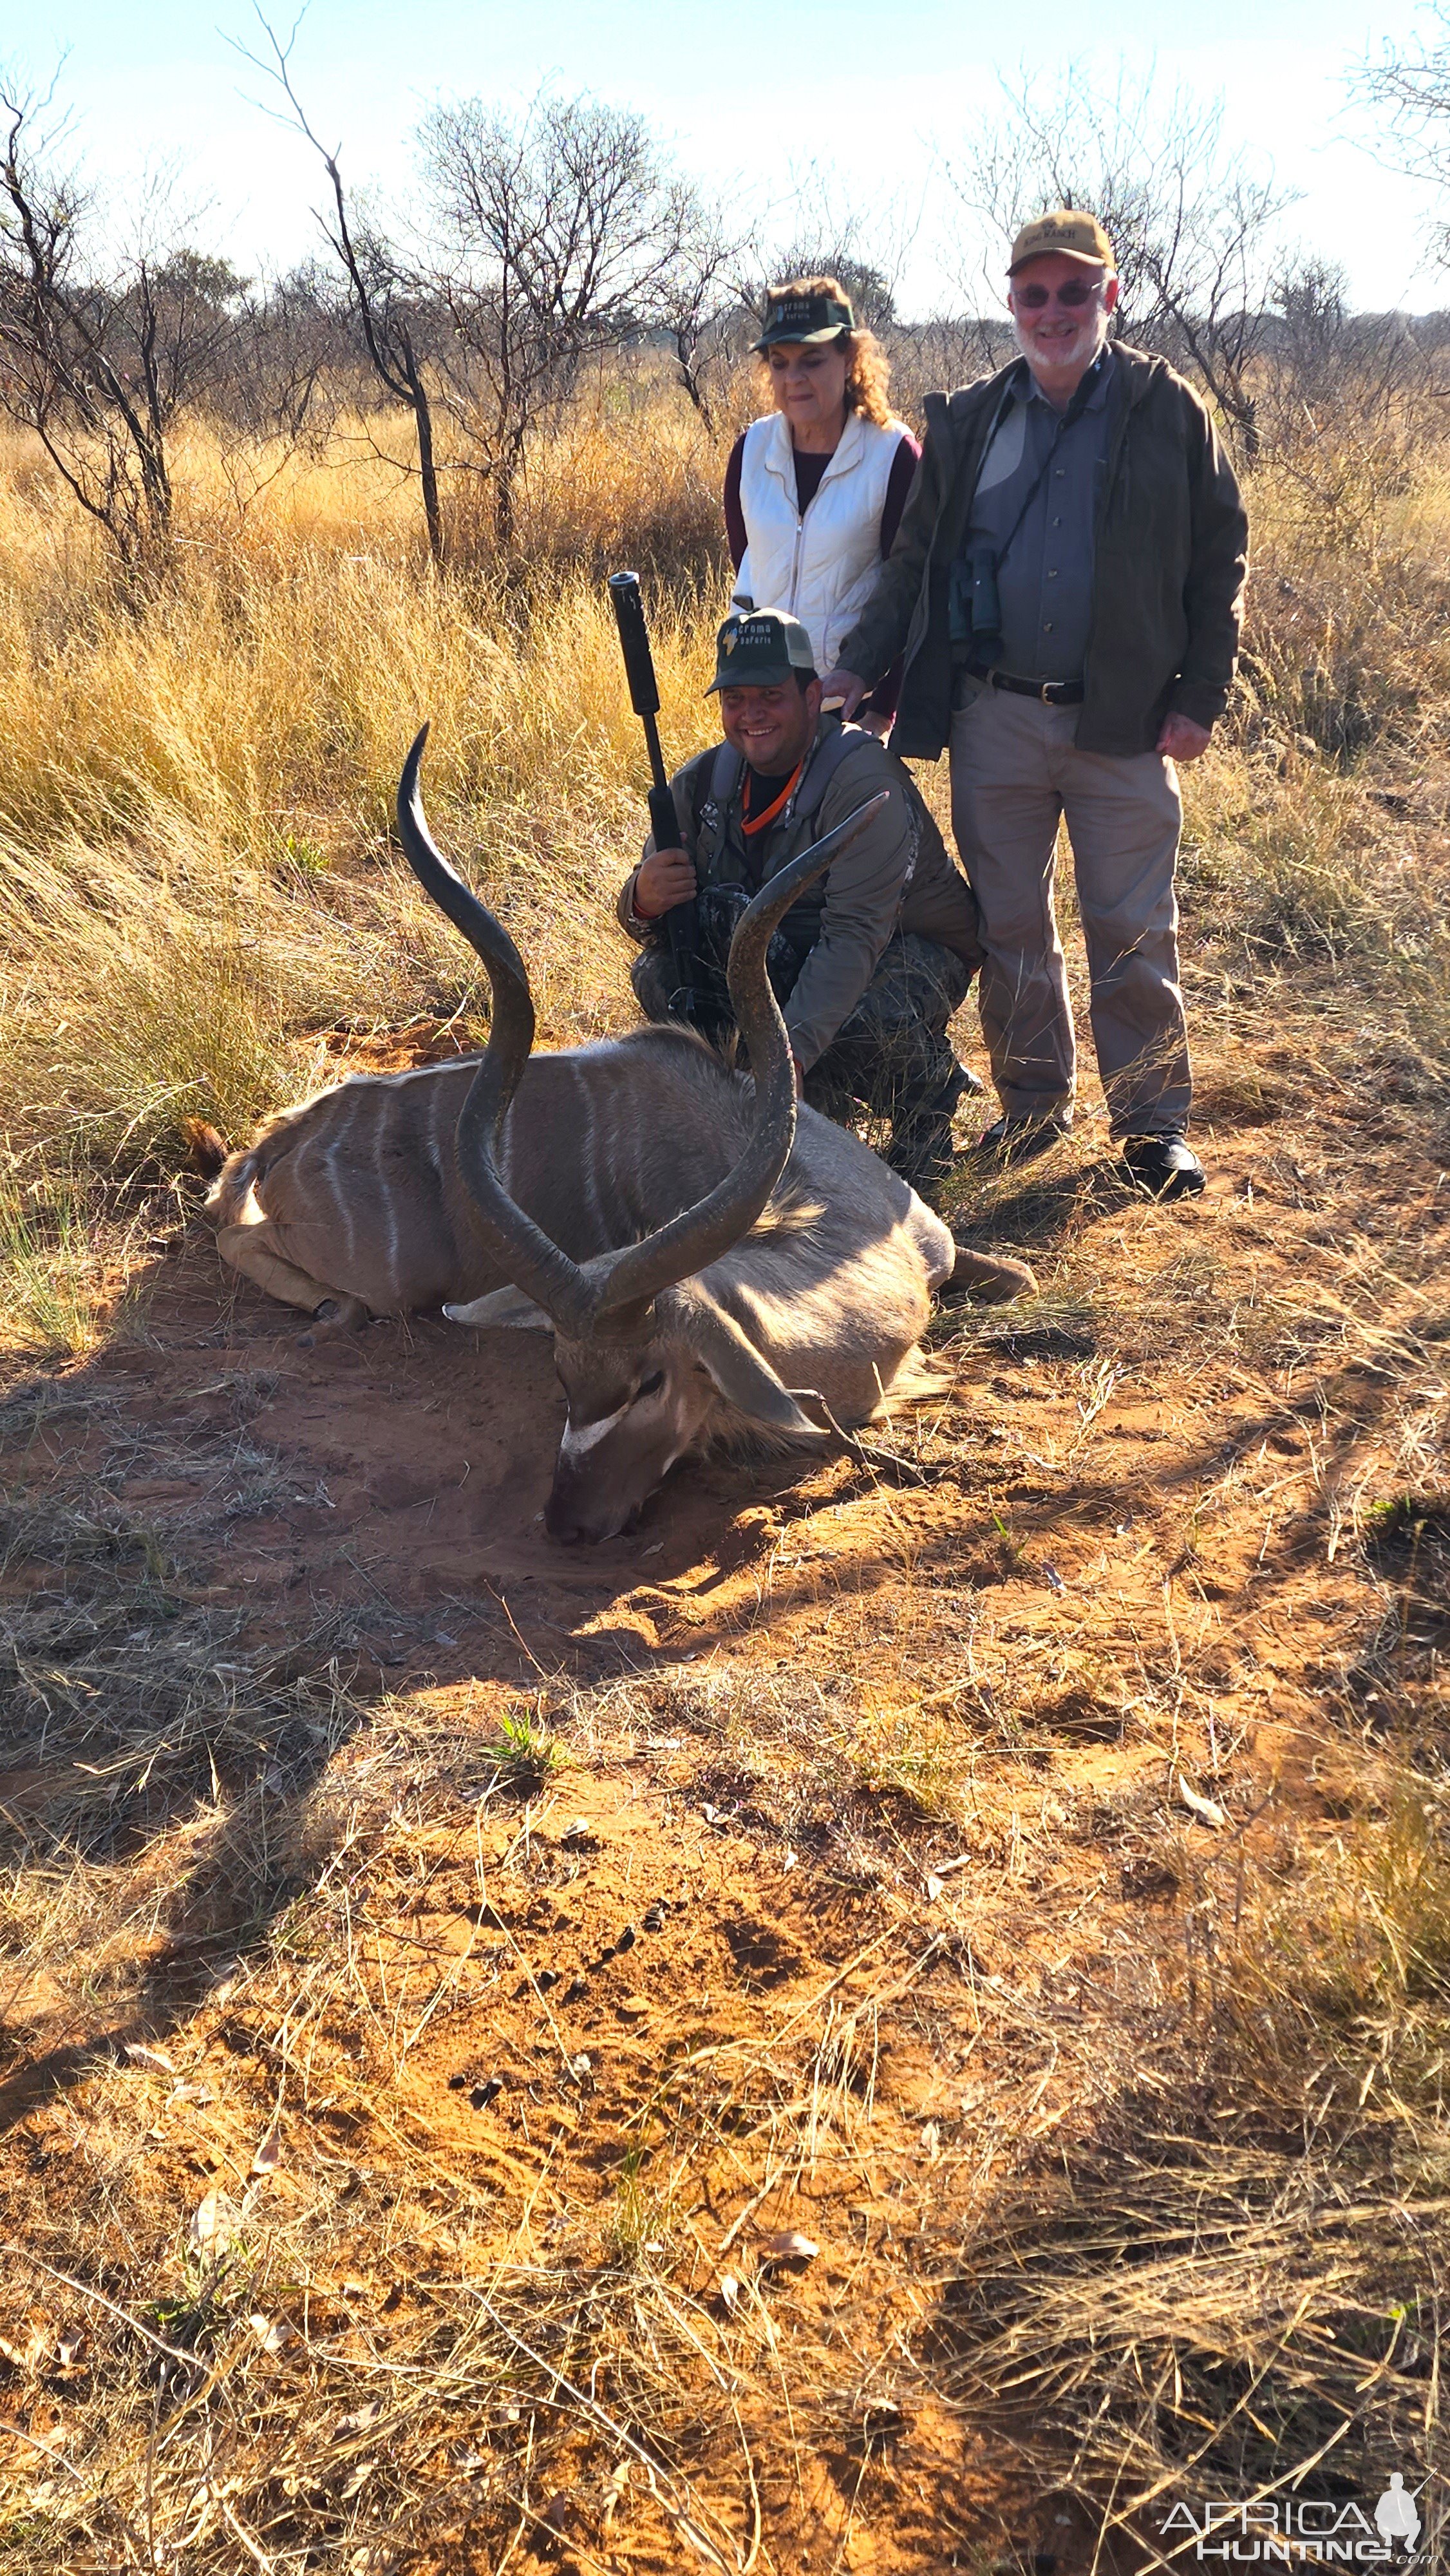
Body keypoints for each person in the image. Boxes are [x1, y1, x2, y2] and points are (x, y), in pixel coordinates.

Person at [820, 210, 1249, 1202]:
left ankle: (1151, 1125)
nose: (1052, 312)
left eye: (1072, 292)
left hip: (1127, 720)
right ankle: (1032, 1110)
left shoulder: (1166, 407)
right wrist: (860, 665)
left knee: (1132, 925)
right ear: (1010, 302)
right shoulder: (972, 418)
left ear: (1110, 295)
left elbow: (1218, 557)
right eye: (1033, 293)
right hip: (996, 715)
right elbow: (914, 561)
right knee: (1011, 922)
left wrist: (1199, 697)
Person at [616, 607, 983, 1198]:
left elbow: (854, 940)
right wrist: (640, 899)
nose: (751, 714)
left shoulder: (864, 783)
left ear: (813, 697)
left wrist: (785, 1063)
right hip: (793, 950)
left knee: (871, 1024)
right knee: (663, 980)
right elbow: (654, 930)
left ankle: (928, 1094)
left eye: (771, 695)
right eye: (735, 698)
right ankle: (764, 1109)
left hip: (904, 950)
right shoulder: (702, 780)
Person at [726, 276, 919, 734]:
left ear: (850, 358)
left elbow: (911, 589)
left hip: (848, 706)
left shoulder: (893, 453)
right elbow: (747, 565)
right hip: (764, 705)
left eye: (812, 361)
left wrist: (881, 711)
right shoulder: (751, 450)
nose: (794, 379)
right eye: (780, 363)